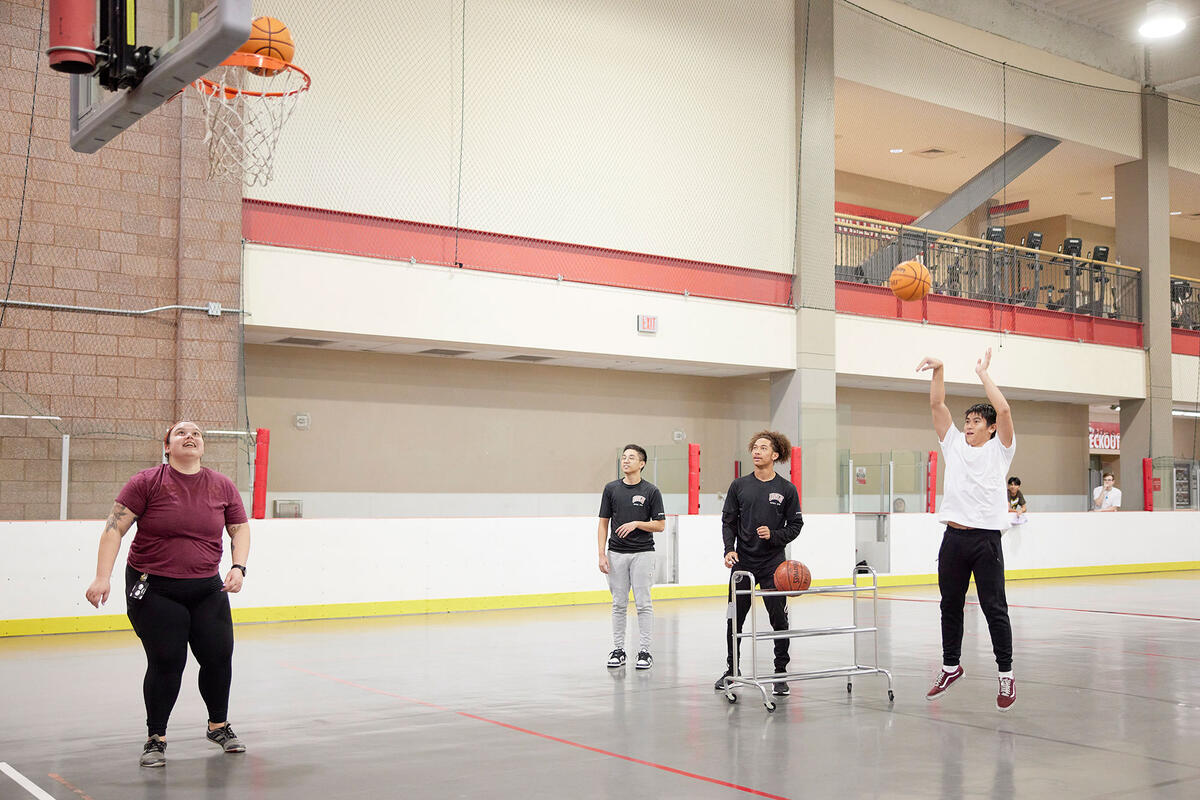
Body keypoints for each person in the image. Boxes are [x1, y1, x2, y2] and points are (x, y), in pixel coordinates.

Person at [84, 421, 252, 767]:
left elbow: (240, 528)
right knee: (168, 662)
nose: (190, 436)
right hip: (155, 587)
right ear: (167, 446)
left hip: (207, 586)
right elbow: (114, 529)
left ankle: (218, 726)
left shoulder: (221, 485)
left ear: (202, 447)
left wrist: (239, 566)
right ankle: (155, 738)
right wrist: (103, 577)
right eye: (181, 433)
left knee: (219, 658)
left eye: (197, 434)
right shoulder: (146, 482)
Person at [917, 348, 1017, 712]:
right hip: (954, 538)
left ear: (990, 428)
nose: (970, 425)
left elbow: (1004, 410)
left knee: (994, 608)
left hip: (986, 539)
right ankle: (950, 666)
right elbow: (937, 405)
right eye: (968, 420)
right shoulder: (954, 444)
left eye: (977, 421)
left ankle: (1005, 673)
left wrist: (982, 375)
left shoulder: (1001, 450)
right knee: (950, 605)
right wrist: (940, 368)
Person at [714, 431, 804, 697]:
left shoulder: (787, 489)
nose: (756, 451)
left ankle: (780, 674)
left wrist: (774, 535)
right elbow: (728, 522)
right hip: (743, 564)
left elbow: (797, 525)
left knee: (779, 620)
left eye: (763, 448)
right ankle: (732, 670)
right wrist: (729, 550)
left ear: (775, 455)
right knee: (734, 621)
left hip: (774, 565)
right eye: (754, 447)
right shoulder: (739, 486)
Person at [597, 444, 665, 670]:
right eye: (624, 457)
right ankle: (618, 650)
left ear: (642, 464)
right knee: (618, 603)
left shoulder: (651, 491)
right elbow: (603, 522)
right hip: (616, 553)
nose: (626, 461)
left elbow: (660, 525)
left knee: (644, 603)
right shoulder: (611, 489)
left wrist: (637, 524)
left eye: (631, 458)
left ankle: (644, 651)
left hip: (643, 554)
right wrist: (601, 554)